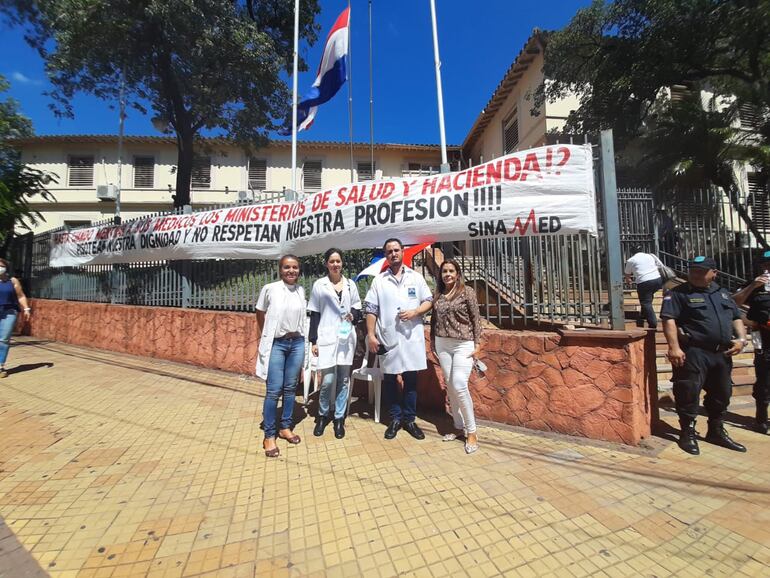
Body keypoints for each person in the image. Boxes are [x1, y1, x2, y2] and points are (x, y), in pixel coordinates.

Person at [660, 256, 748, 455]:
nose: (695, 274)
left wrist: (741, 340)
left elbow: (736, 317)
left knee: (722, 394)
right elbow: (669, 320)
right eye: (693, 270)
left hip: (722, 353)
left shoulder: (723, 294)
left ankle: (716, 431)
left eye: (701, 271)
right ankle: (687, 433)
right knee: (688, 392)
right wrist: (674, 347)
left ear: (713, 273)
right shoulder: (678, 294)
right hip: (694, 351)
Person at [365, 238, 433, 440]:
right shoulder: (379, 280)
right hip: (389, 337)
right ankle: (395, 419)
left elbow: (428, 301)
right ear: (386, 255)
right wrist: (371, 334)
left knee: (411, 380)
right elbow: (371, 309)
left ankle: (410, 420)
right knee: (390, 379)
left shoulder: (416, 277)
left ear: (403, 252)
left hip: (411, 337)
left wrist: (415, 312)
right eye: (389, 251)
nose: (393, 254)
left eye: (396, 250)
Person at [308, 248, 362, 439]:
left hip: (346, 338)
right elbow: (314, 313)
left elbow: (357, 308)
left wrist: (352, 315)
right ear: (326, 264)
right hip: (326, 337)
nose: (335, 264)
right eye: (332, 261)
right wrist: (313, 341)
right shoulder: (319, 285)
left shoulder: (350, 285)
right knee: (328, 380)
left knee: (343, 380)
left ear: (342, 263)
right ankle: (322, 415)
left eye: (338, 261)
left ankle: (339, 417)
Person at [255, 255, 306, 458]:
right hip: (277, 343)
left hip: (297, 343)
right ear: (280, 269)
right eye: (287, 267)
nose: (291, 271)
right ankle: (269, 435)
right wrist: (265, 333)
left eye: (294, 267)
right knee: (274, 390)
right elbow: (260, 312)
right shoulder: (270, 289)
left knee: (291, 388)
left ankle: (285, 427)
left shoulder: (301, 291)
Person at [430, 259, 482, 454]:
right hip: (443, 344)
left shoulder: (467, 292)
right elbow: (434, 320)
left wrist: (478, 344)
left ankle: (472, 431)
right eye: (444, 271)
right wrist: (433, 343)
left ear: (458, 273)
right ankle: (458, 427)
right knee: (450, 387)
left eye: (451, 271)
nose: (448, 274)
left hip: (463, 344)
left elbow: (476, 318)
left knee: (459, 384)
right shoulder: (439, 295)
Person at [732, 249, 770, 434]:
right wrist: (752, 287)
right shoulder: (753, 285)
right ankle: (761, 419)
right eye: (764, 265)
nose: (767, 269)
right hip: (764, 340)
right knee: (763, 380)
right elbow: (732, 305)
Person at [0, 259, 31, 378]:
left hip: (9, 312)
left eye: (1, 265)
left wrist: (26, 308)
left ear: (6, 267)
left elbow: (21, 296)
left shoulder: (12, 281)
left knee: (4, 339)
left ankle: (0, 366)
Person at [624, 246, 664, 328]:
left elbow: (627, 274)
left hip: (644, 282)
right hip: (657, 280)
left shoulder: (631, 260)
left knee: (646, 302)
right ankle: (644, 314)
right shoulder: (651, 255)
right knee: (648, 296)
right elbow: (660, 266)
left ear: (632, 253)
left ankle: (653, 323)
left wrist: (629, 281)